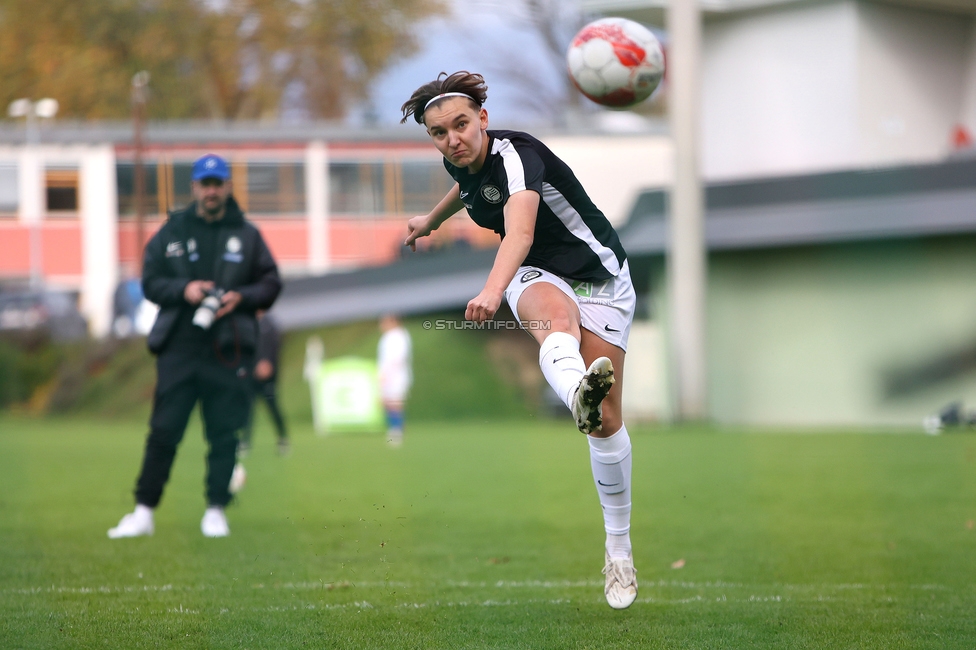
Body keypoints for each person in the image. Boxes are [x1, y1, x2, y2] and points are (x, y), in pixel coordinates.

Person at [400, 72, 638, 609]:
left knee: (608, 427)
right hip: (537, 273)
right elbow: (468, 190)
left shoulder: (518, 153)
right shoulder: (460, 160)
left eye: (461, 124)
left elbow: (521, 229)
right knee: (554, 323)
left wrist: (489, 289)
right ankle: (579, 390)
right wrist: (430, 221)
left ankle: (618, 549)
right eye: (439, 133)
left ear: (483, 118)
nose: (452, 139)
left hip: (601, 280)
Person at [108, 153, 281, 539]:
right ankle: (143, 512)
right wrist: (183, 290)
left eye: (218, 183)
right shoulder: (173, 231)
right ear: (195, 188)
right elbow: (150, 281)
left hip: (229, 348)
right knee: (164, 431)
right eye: (205, 184)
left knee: (224, 434)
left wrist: (241, 297)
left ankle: (216, 510)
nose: (212, 190)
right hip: (180, 349)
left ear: (227, 187)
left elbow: (271, 284)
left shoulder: (247, 234)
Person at [239, 310, 289, 456]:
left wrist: (268, 363)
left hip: (268, 377)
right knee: (248, 410)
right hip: (251, 376)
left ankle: (283, 439)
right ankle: (245, 442)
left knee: (273, 407)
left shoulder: (269, 325)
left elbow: (275, 346)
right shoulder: (246, 323)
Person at [377, 314, 413, 446]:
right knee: (387, 402)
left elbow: (398, 358)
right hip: (386, 375)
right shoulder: (386, 337)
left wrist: (388, 374)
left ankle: (397, 432)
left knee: (395, 402)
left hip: (397, 376)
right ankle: (393, 429)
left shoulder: (400, 336)